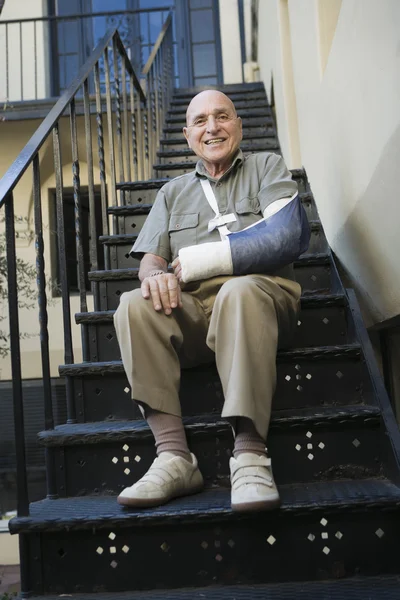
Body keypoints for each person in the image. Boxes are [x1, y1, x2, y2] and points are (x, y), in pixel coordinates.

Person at [113, 90, 310, 512]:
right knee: (133, 303)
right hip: (198, 315)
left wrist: (209, 260)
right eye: (201, 121)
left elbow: (288, 236)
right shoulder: (172, 193)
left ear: (238, 125)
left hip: (262, 298)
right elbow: (150, 260)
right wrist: (156, 278)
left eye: (222, 117)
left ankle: (251, 454)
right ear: (187, 136)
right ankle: (174, 457)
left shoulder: (266, 167)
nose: (212, 127)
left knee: (239, 292)